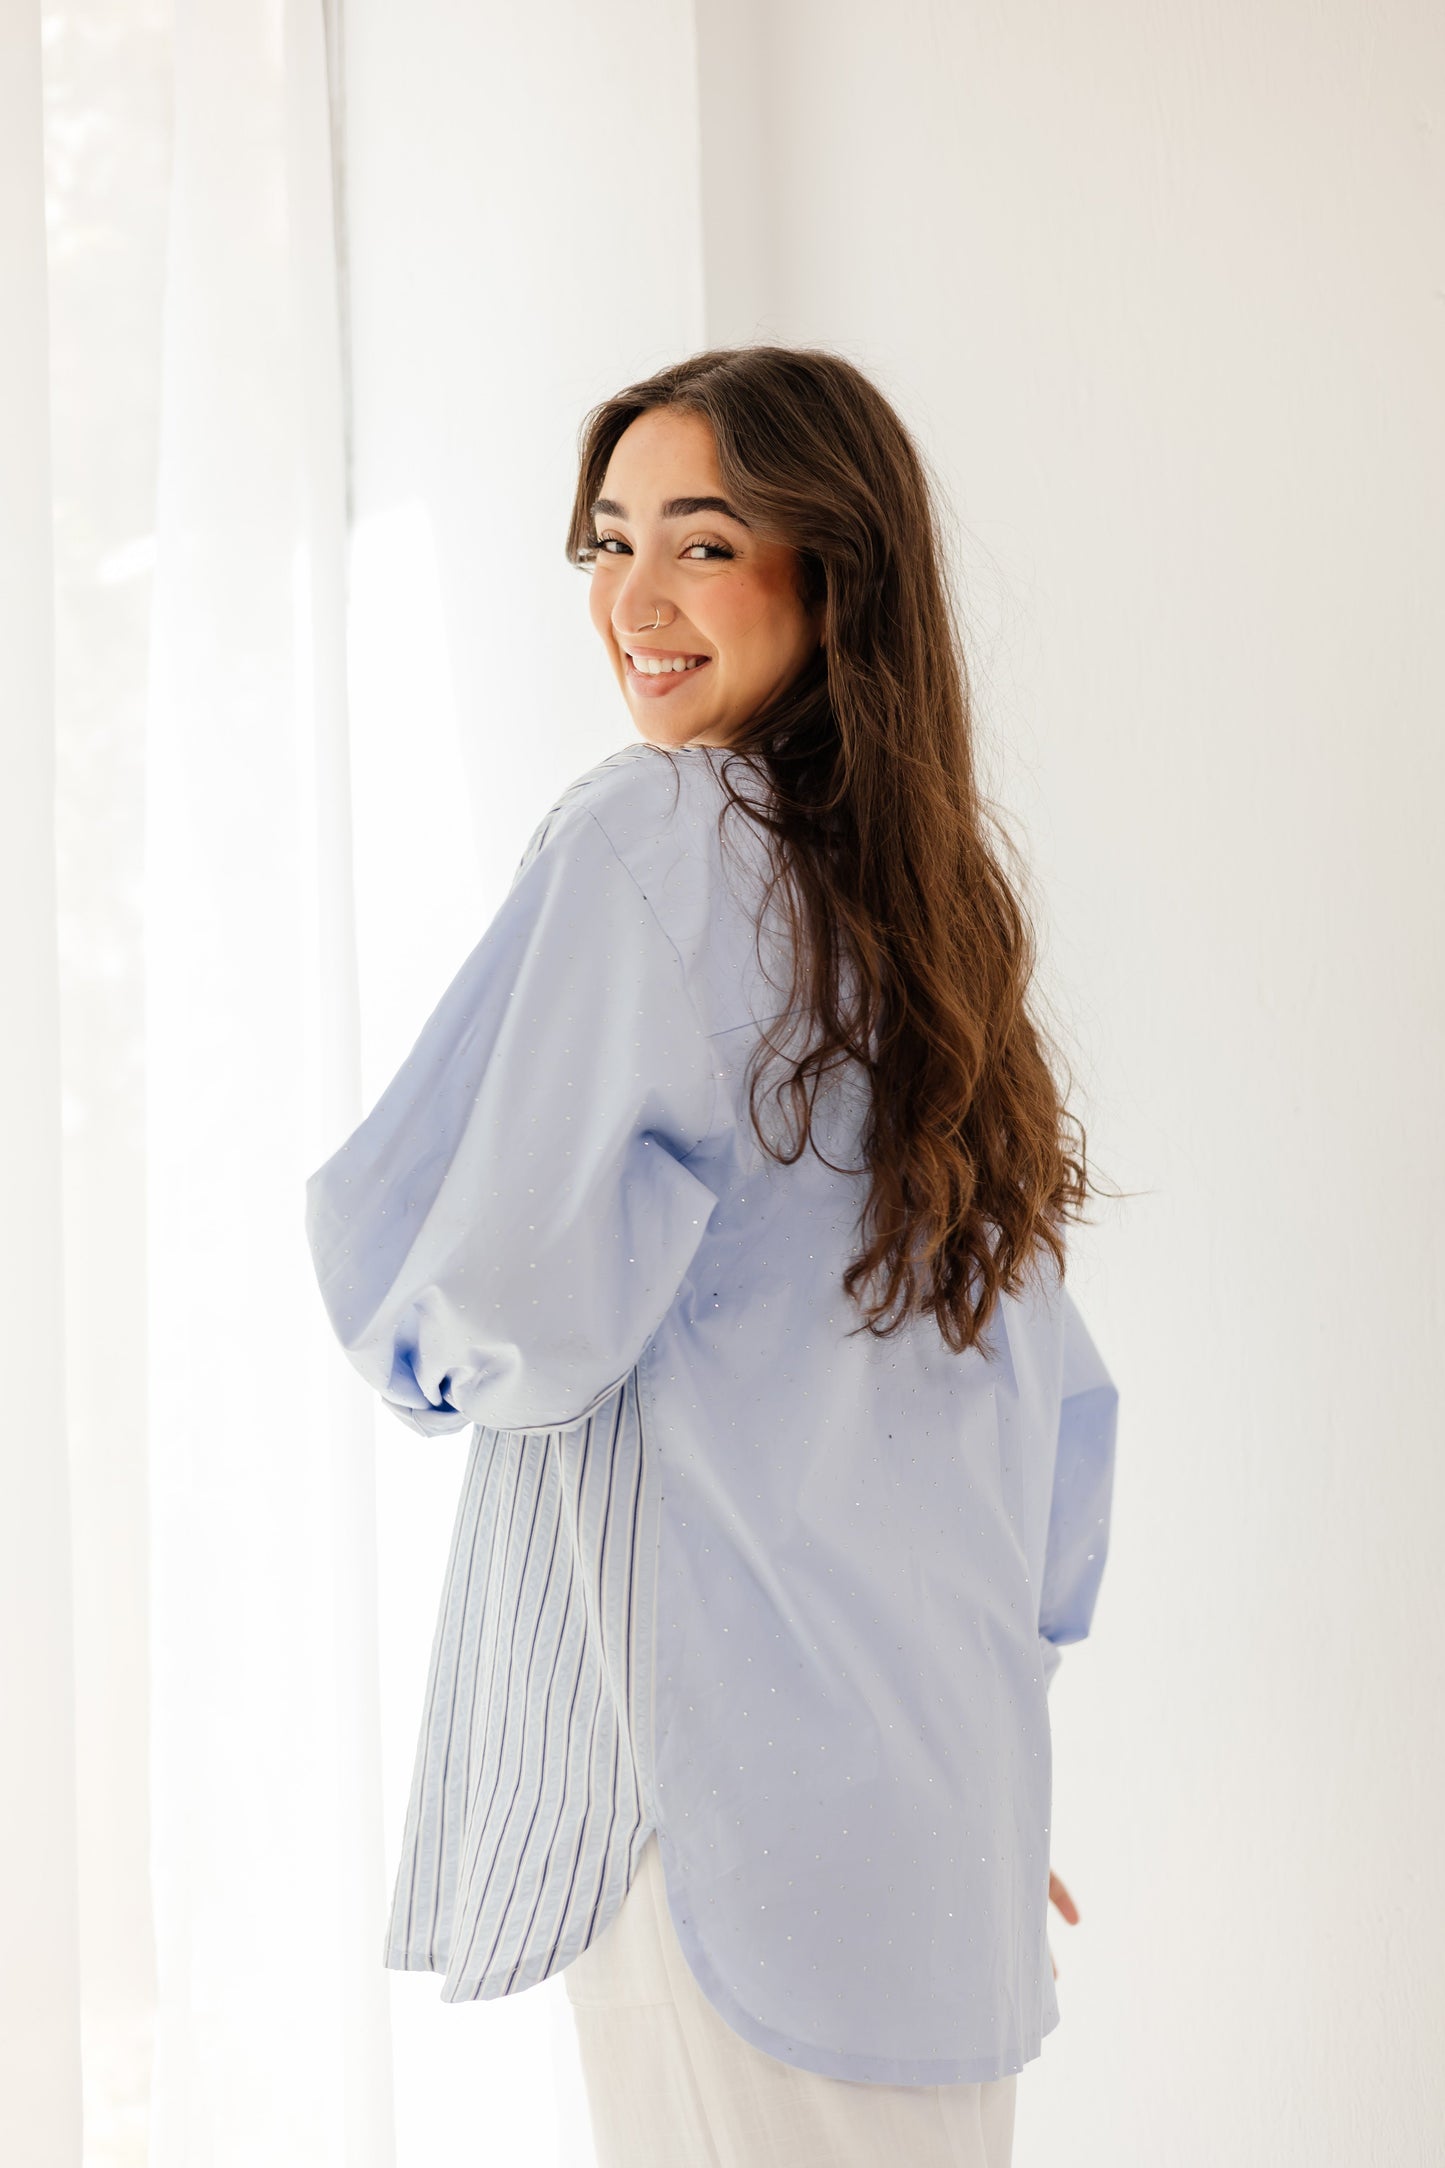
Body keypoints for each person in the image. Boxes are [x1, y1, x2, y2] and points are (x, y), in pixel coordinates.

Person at [305, 344, 1119, 2168]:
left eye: (699, 541)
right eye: (605, 542)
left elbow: (475, 1286)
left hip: (727, 1792)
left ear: (828, 577)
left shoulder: (653, 833)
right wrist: (962, 1755)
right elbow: (1044, 1413)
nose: (632, 601)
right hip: (939, 1805)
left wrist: (433, 1354)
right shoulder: (930, 921)